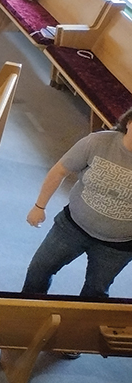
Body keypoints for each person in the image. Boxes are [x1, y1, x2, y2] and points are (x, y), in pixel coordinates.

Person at [22, 108, 132, 298]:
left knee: (95, 292)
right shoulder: (98, 142)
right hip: (72, 227)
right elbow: (59, 171)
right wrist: (39, 206)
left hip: (118, 245)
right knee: (38, 271)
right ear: (129, 123)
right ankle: (30, 314)